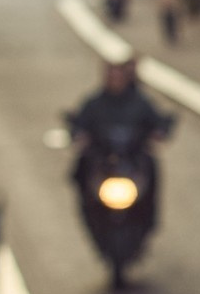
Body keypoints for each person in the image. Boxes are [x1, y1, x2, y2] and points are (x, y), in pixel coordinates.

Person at [68, 57, 175, 206]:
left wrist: (159, 132)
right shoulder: (94, 103)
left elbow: (157, 122)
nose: (115, 81)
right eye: (111, 77)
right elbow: (79, 123)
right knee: (81, 171)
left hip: (133, 159)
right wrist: (79, 134)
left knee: (151, 171)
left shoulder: (140, 103)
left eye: (118, 77)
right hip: (102, 159)